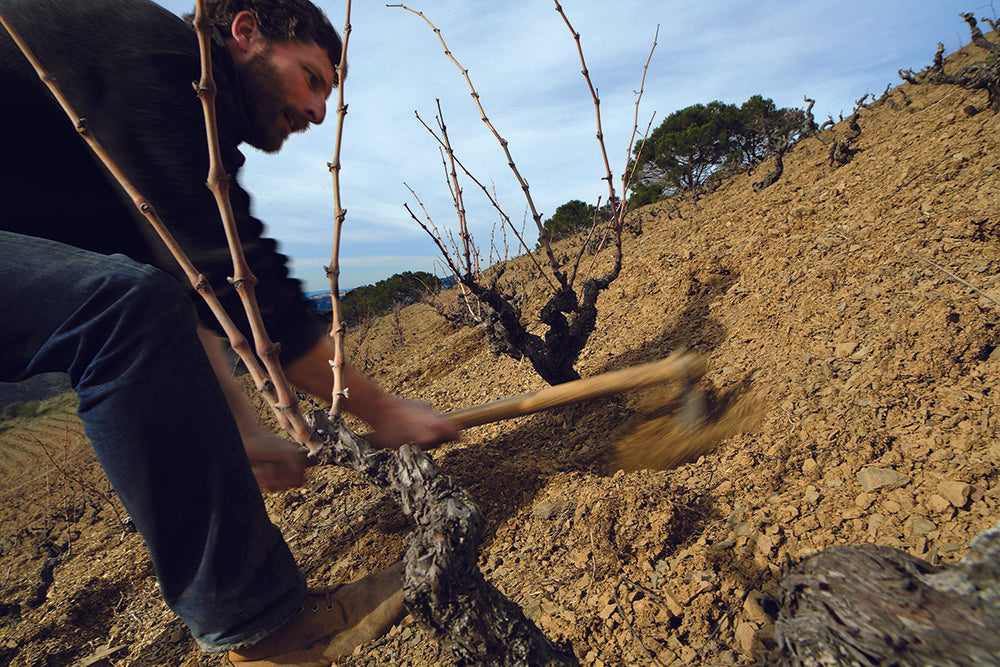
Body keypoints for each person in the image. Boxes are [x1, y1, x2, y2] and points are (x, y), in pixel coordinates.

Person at [0, 0, 459, 664]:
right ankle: (271, 635)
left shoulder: (151, 108)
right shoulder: (160, 60)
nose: (320, 112)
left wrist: (239, 421)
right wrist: (381, 409)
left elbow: (179, 273)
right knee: (115, 307)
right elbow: (236, 275)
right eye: (313, 78)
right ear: (246, 33)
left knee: (126, 298)